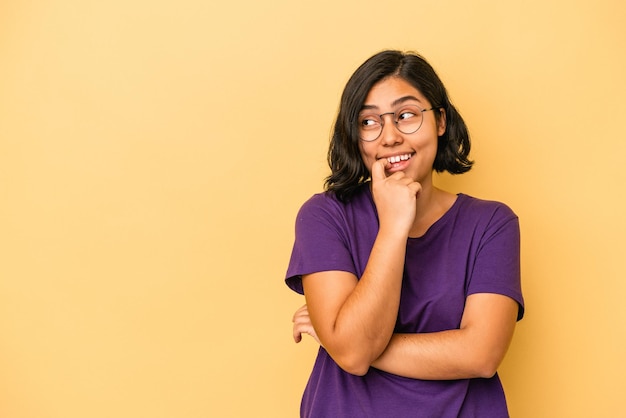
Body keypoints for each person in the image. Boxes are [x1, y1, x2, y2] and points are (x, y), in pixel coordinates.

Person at [285, 50, 524, 418]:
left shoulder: (492, 223)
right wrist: (394, 226)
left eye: (406, 115)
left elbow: (481, 355)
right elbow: (351, 354)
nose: (390, 136)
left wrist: (340, 339)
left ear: (440, 121)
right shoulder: (324, 216)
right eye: (368, 122)